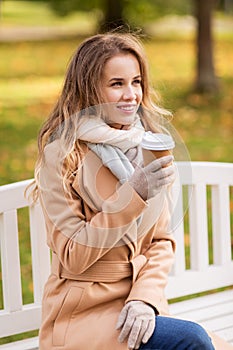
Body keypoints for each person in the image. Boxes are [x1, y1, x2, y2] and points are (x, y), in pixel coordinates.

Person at [32, 32, 217, 350]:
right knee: (194, 341)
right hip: (84, 313)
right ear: (90, 90)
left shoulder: (149, 145)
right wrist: (133, 195)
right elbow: (74, 258)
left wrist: (144, 299)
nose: (131, 94)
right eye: (117, 84)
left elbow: (161, 242)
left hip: (140, 305)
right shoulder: (63, 155)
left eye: (136, 82)